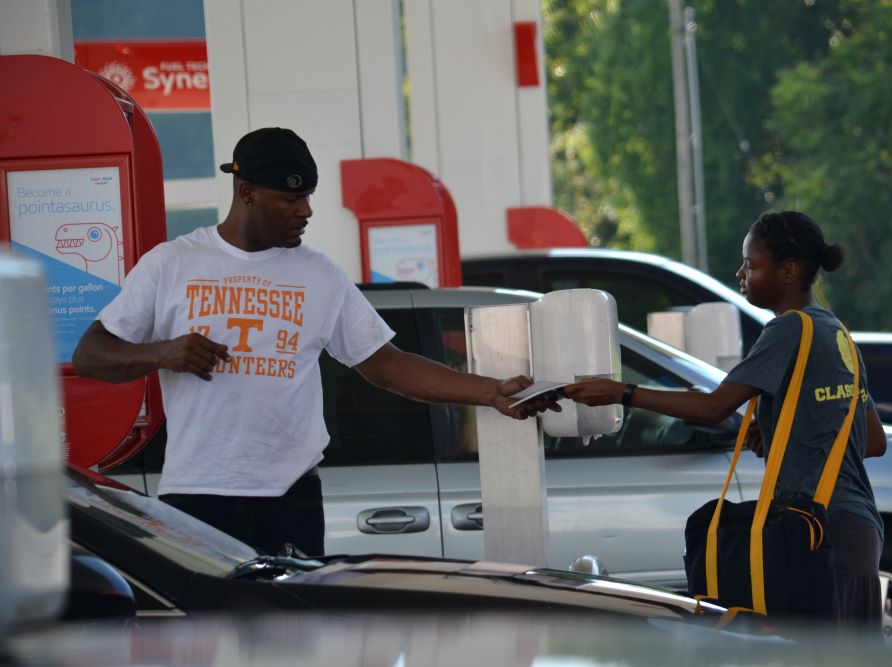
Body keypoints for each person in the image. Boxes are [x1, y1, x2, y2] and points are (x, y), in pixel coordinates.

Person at [72, 127, 551, 558]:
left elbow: (385, 363)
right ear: (247, 193)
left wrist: (489, 392)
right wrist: (162, 352)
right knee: (211, 647)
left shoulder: (319, 274)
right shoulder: (171, 264)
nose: (306, 211)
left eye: (309, 198)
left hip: (290, 497)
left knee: (293, 643)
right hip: (197, 493)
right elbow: (91, 354)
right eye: (289, 199)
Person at [563, 210, 887, 633]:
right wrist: (785, 435)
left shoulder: (787, 330)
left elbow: (714, 408)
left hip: (817, 535)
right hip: (858, 528)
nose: (741, 273)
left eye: (752, 265)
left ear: (788, 271)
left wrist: (622, 392)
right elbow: (873, 439)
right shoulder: (837, 333)